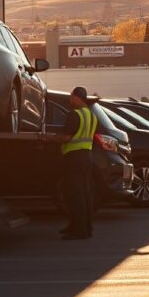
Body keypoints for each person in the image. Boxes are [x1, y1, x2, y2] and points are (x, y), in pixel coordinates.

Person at [60, 87, 98, 240]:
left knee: (75, 195)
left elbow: (66, 137)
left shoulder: (74, 115)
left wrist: (47, 138)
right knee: (85, 193)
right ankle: (85, 227)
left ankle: (79, 231)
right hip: (87, 156)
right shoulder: (92, 116)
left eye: (71, 97)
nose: (70, 100)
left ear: (77, 98)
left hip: (74, 157)